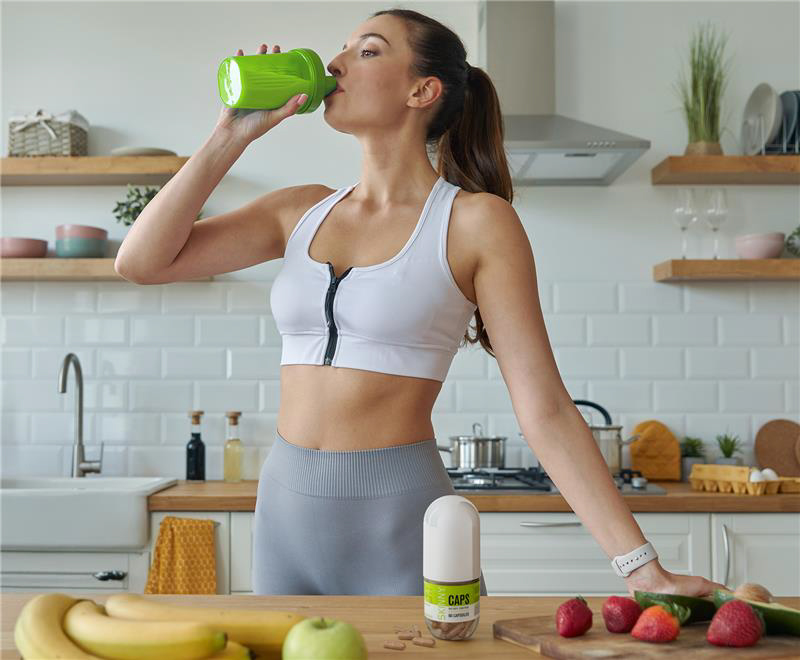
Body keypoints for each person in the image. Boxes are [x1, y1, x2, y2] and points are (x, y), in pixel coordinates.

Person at [115, 8, 725, 598]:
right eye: (345, 48)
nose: (336, 62)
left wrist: (641, 568)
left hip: (401, 516)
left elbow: (546, 410)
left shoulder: (477, 223)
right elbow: (141, 262)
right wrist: (232, 132)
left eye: (368, 50)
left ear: (422, 91)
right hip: (284, 511)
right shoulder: (297, 210)